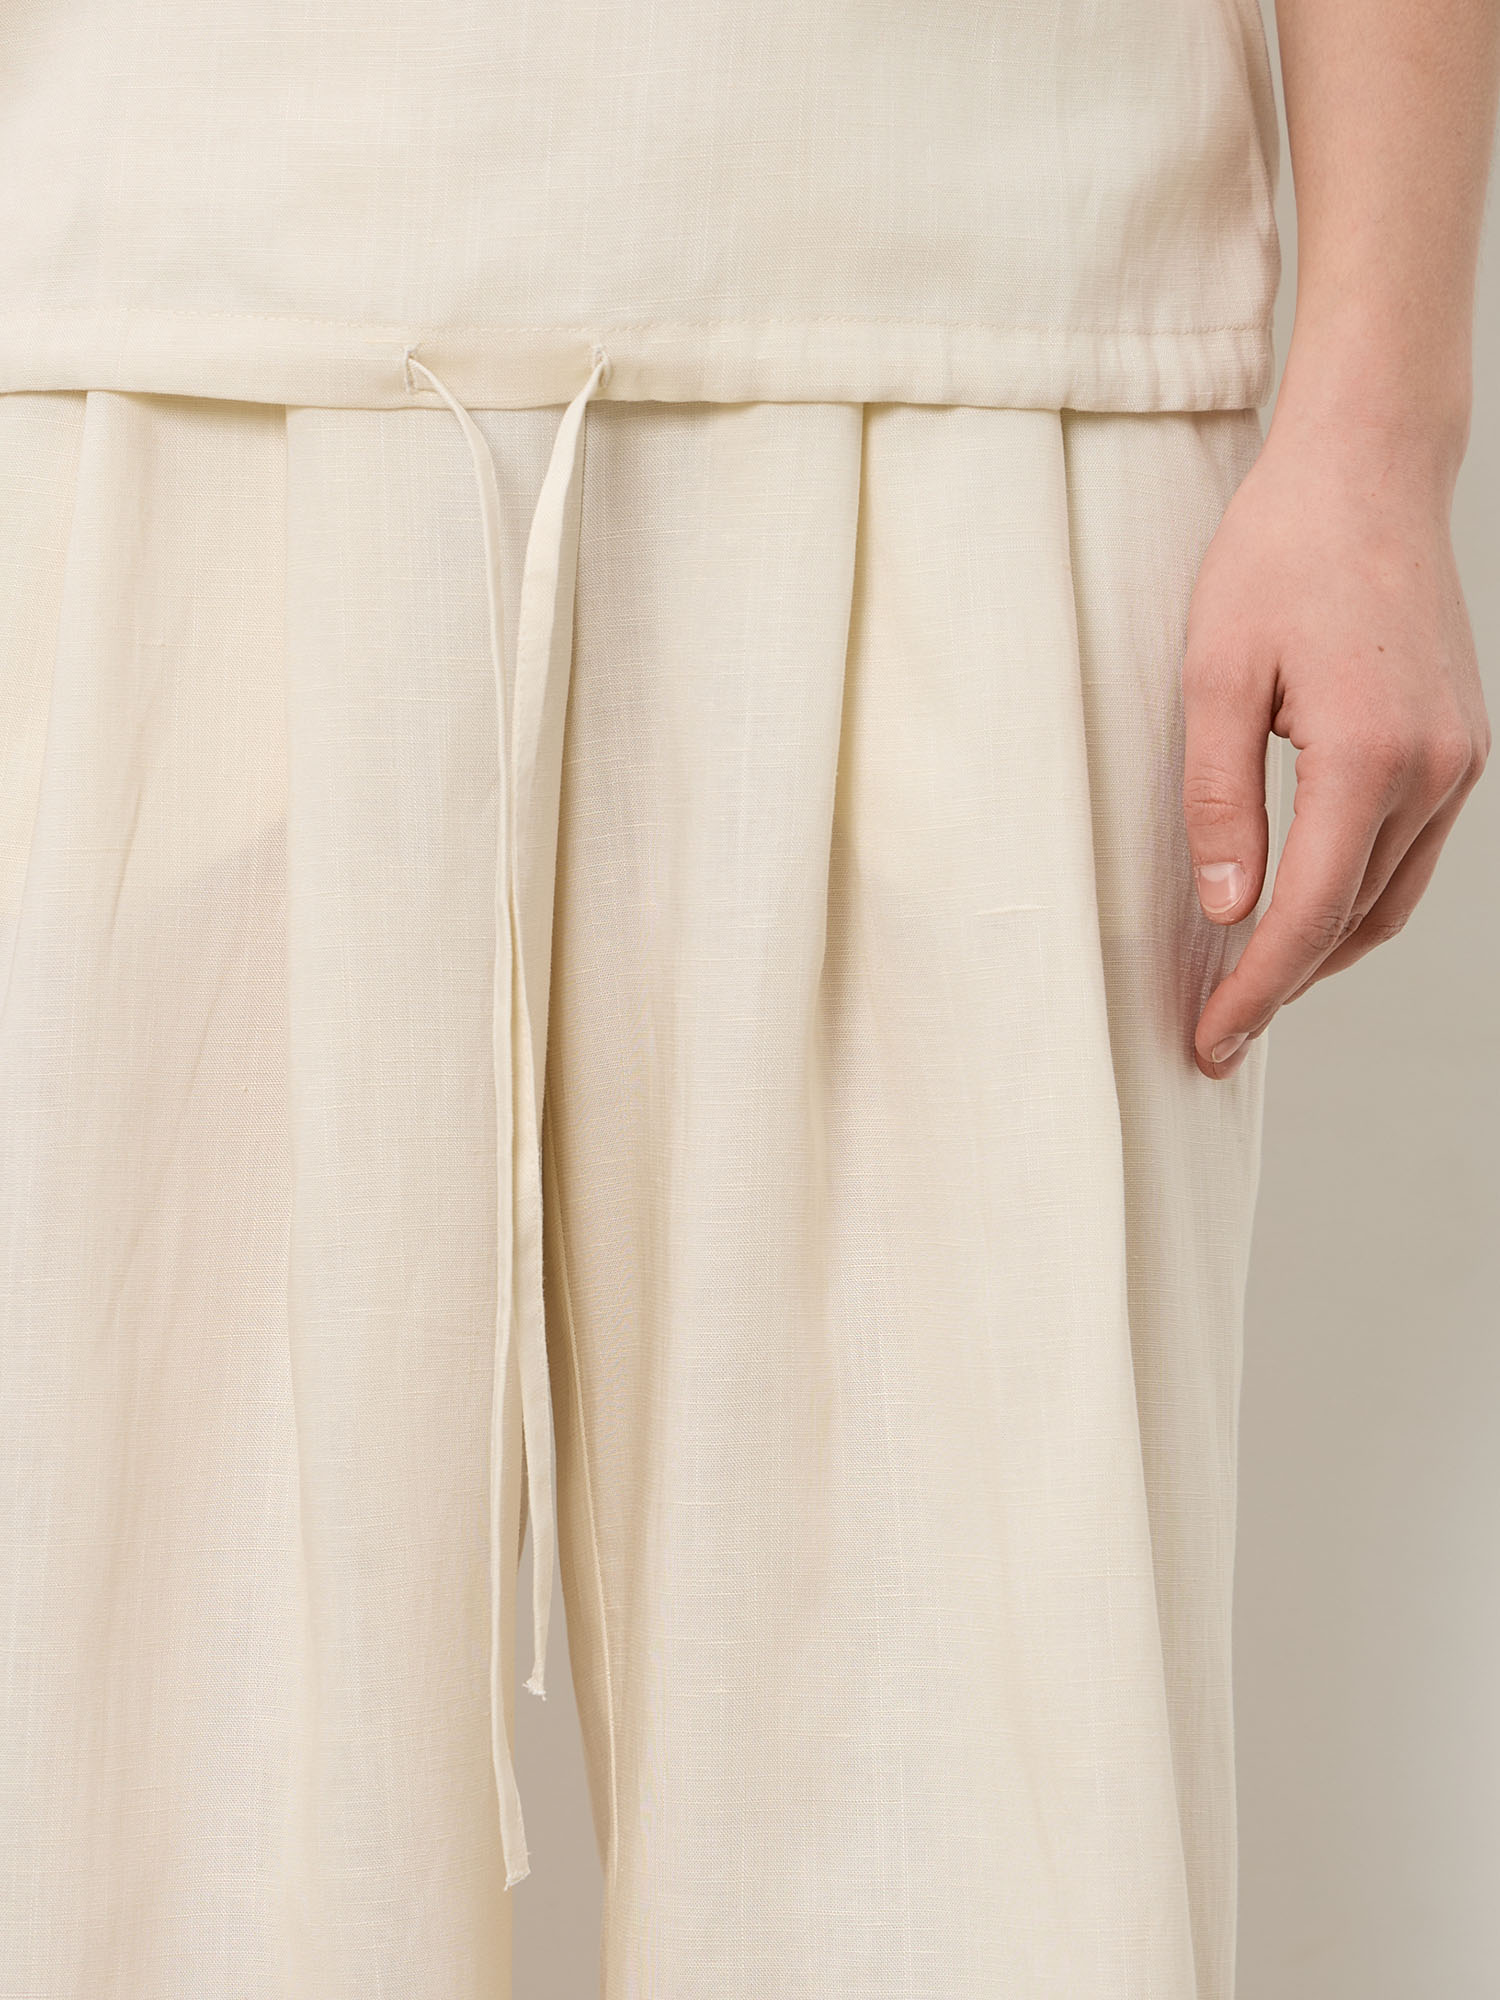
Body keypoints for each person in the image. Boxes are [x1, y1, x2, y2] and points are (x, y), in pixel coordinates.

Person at [0, 3, 1492, 1997]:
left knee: (981, 1864)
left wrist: (1383, 422)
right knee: (119, 1844)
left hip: (990, 309)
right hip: (133, 305)